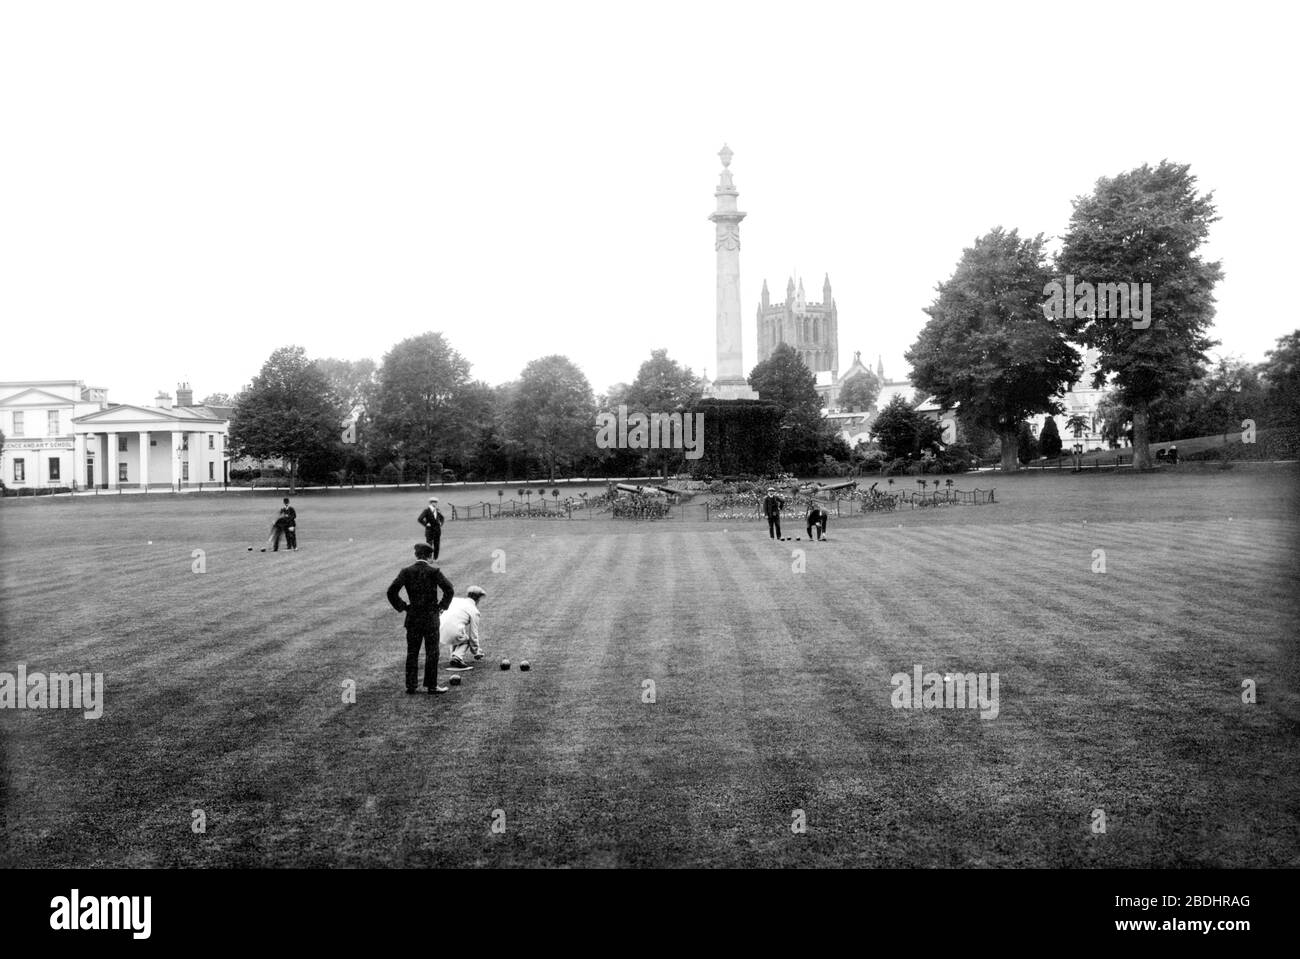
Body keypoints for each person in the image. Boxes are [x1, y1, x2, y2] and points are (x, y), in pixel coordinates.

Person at [386, 543, 455, 695]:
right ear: (429, 556)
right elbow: (449, 589)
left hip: (413, 617)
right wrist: (442, 606)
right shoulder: (434, 572)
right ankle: (432, 685)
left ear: (416, 555)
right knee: (432, 652)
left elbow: (391, 591)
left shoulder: (406, 571)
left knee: (412, 652)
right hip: (430, 617)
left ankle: (411, 685)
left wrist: (403, 607)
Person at [440, 585, 487, 670]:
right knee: (466, 640)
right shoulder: (474, 610)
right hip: (452, 632)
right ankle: (457, 657)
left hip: (439, 629)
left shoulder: (455, 600)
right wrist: (476, 652)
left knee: (459, 635)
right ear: (478, 599)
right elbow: (473, 634)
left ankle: (453, 656)